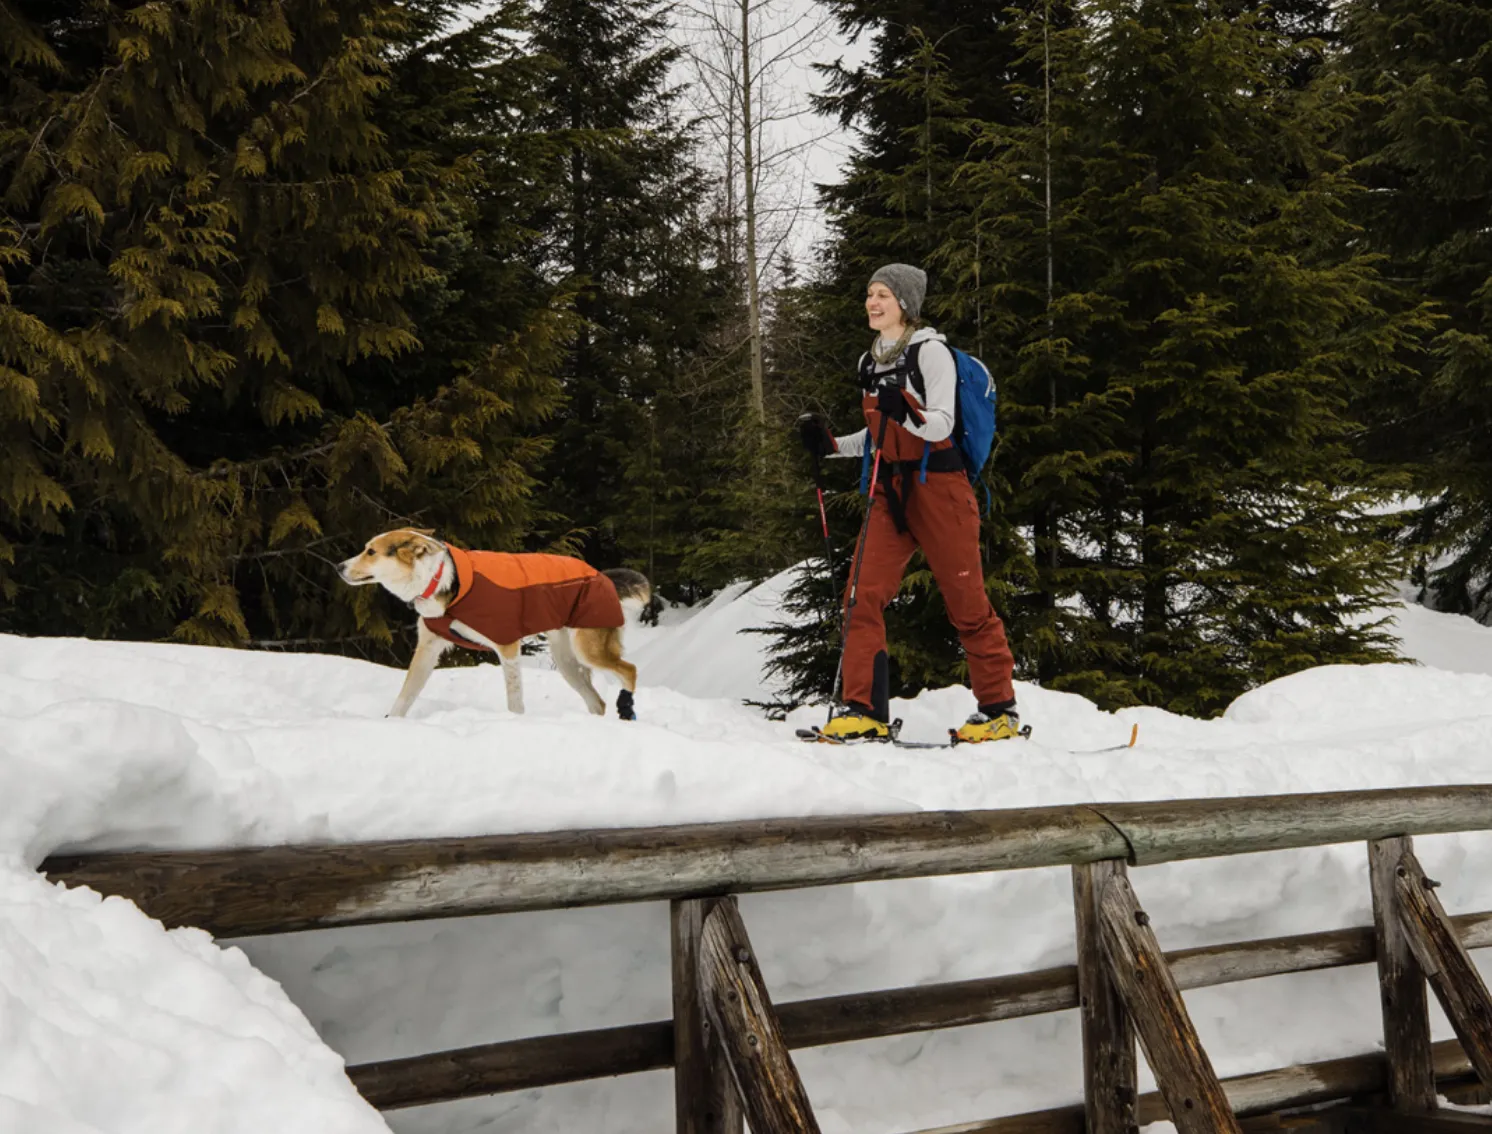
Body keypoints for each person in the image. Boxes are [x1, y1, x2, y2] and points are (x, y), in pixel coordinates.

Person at [798, 263, 1019, 743]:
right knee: (861, 595)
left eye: (883, 294)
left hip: (940, 488)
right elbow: (879, 435)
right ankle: (864, 710)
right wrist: (832, 445)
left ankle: (999, 709)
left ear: (906, 304)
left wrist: (909, 412)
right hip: (889, 490)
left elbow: (940, 424)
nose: (873, 302)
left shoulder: (931, 353)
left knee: (967, 602)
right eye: (870, 293)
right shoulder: (870, 360)